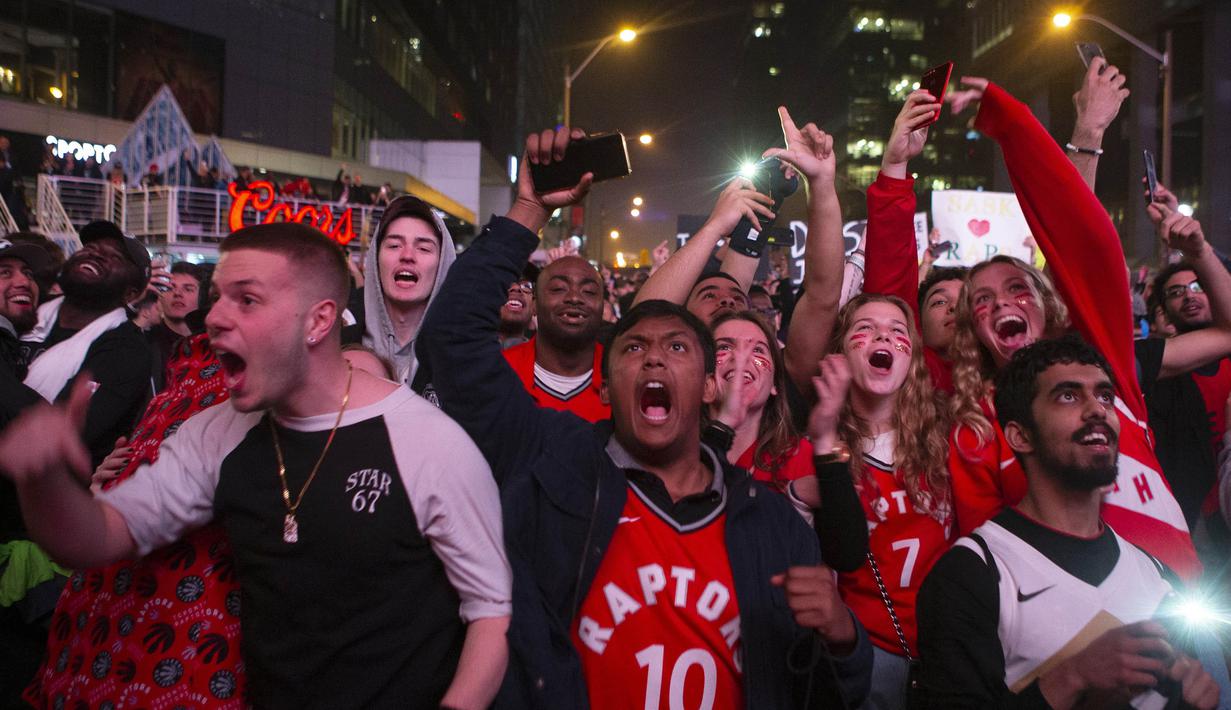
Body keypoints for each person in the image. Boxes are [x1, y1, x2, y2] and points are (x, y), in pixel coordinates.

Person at [418, 126, 873, 709]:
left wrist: (842, 637)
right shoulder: (551, 465)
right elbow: (452, 339)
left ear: (710, 384)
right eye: (634, 349)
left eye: (679, 349)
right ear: (604, 385)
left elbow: (829, 692)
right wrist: (528, 211)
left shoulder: (770, 528)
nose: (656, 354)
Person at [0, 222, 512, 709]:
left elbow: (490, 614)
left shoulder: (429, 442)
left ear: (318, 320)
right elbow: (99, 536)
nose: (216, 317)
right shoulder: (215, 432)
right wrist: (40, 479)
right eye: (219, 296)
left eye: (246, 300)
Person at [943, 76, 1200, 579]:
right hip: (1073, 635)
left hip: (1178, 614)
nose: (1002, 305)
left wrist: (1031, 124)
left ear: (1049, 305)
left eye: (1019, 289)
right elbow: (990, 559)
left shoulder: (1105, 365)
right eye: (983, 300)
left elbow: (1080, 240)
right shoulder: (974, 425)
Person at [916, 336, 1220, 710]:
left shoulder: (1157, 576)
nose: (1097, 409)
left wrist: (1190, 702)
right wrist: (1071, 678)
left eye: (1106, 396)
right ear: (1020, 436)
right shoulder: (972, 573)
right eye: (1068, 396)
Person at [791, 294, 952, 709]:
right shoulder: (811, 452)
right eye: (865, 328)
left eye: (898, 332)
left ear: (912, 358)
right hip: (863, 658)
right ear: (840, 354)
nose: (883, 334)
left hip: (947, 654)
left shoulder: (948, 439)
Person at [20, 220, 154, 469]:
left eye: (114, 256)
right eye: (91, 247)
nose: (96, 253)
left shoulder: (127, 352)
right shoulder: (26, 310)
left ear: (131, 293)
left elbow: (62, 434)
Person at [862, 90, 964, 394]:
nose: (954, 308)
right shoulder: (909, 375)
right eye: (939, 301)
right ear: (915, 324)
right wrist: (895, 165)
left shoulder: (1018, 375)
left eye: (968, 300)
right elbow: (891, 265)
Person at [351, 194, 456, 393]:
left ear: (443, 264)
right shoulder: (338, 349)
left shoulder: (465, 357)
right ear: (375, 259)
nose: (407, 256)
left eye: (424, 248)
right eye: (394, 245)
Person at [501, 251, 609, 422]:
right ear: (534, 305)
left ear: (603, 307)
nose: (574, 297)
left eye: (588, 291)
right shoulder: (499, 371)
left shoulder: (620, 376)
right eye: (559, 288)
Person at [148, 261, 204, 367]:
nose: (177, 293)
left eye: (188, 289)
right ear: (159, 296)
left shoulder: (211, 344)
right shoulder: (146, 340)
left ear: (202, 297)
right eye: (170, 288)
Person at [498, 266, 536, 349]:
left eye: (526, 285)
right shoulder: (465, 351)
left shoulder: (545, 360)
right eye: (506, 282)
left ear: (534, 308)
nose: (516, 288)